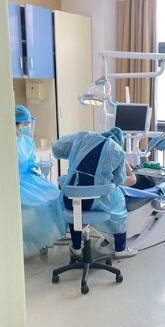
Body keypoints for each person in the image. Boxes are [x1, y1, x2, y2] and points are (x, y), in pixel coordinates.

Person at [52, 127, 138, 258]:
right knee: (118, 205)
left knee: (76, 209)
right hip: (96, 202)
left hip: (70, 199)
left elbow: (58, 148)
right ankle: (120, 249)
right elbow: (119, 180)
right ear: (119, 142)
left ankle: (76, 247)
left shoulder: (83, 137)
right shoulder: (117, 150)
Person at [15, 105, 66, 256]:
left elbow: (30, 161)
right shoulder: (7, 143)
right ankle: (36, 240)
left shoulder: (28, 141)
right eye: (24, 124)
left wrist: (35, 169)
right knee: (40, 205)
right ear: (15, 124)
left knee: (56, 195)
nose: (27, 127)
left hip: (30, 177)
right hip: (18, 182)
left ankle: (46, 237)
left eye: (28, 124)